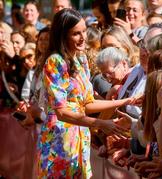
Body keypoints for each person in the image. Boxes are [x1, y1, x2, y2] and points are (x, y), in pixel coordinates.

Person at [37, 9, 134, 177]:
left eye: (84, 31)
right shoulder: (55, 61)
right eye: (76, 33)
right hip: (60, 140)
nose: (83, 37)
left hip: (81, 135)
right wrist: (101, 123)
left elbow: (87, 104)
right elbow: (61, 112)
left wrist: (127, 101)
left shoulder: (81, 59)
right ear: (63, 36)